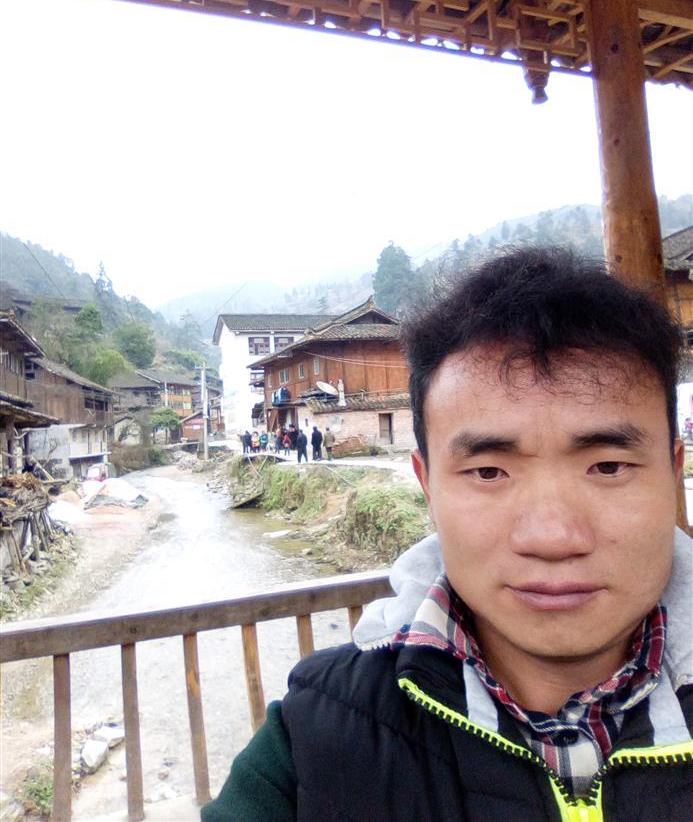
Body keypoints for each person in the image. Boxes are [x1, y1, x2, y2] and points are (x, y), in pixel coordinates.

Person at [202, 248, 692, 822]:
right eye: (488, 472)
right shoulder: (312, 740)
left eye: (608, 466)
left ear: (673, 472)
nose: (554, 537)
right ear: (427, 485)